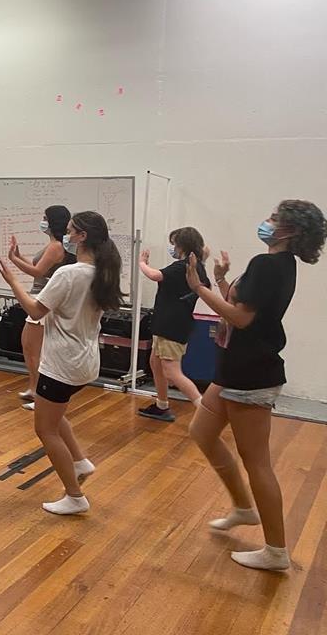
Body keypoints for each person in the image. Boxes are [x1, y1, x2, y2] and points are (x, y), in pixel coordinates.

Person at [185, 200, 325, 572]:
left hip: (251, 375)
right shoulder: (279, 264)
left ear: (290, 230)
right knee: (201, 432)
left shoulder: (269, 264)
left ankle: (276, 551)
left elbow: (240, 318)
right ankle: (243, 508)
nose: (267, 221)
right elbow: (242, 306)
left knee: (258, 463)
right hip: (234, 370)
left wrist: (199, 287)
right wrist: (220, 281)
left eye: (275, 218)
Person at [0, 211, 122, 515]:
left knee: (45, 429)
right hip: (85, 362)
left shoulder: (69, 274)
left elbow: (35, 310)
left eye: (70, 231)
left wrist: (13, 282)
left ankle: (75, 496)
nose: (65, 235)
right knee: (54, 412)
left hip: (63, 364)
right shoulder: (102, 272)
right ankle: (80, 461)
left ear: (82, 236)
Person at [137, 227, 209, 422]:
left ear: (182, 245)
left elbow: (155, 275)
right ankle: (162, 405)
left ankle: (205, 411)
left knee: (172, 371)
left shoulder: (182, 266)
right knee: (155, 363)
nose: (172, 248)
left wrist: (142, 263)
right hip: (169, 323)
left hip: (171, 326)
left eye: (174, 244)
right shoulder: (197, 266)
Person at [7, 205, 73, 410]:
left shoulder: (56, 246)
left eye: (45, 218)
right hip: (40, 296)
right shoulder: (53, 245)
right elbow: (39, 267)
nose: (42, 221)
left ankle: (41, 395)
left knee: (35, 349)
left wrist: (13, 261)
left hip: (44, 300)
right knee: (29, 346)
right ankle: (34, 387)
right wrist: (18, 257)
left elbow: (37, 272)